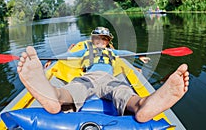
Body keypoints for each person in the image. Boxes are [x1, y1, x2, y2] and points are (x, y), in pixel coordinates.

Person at [17, 27, 189, 123]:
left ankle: (143, 105)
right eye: (97, 39)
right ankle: (54, 97)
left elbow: (126, 52)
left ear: (108, 42)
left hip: (109, 80)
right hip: (89, 79)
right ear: (92, 40)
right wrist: (52, 60)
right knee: (75, 88)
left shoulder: (112, 52)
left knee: (122, 91)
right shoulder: (85, 50)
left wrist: (139, 55)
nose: (100, 42)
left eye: (104, 39)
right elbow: (68, 56)